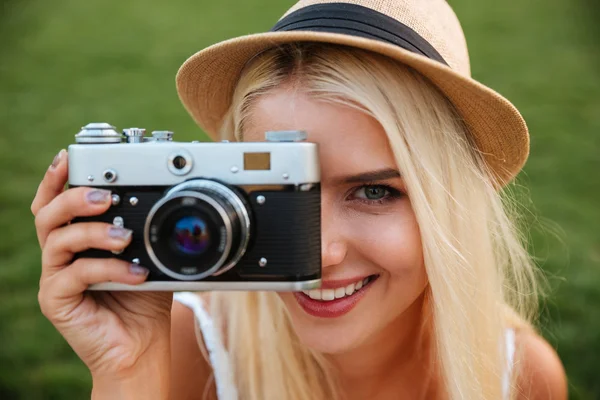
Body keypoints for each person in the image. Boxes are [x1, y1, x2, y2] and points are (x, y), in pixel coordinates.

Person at [31, 0, 568, 399]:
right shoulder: (190, 349)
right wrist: (130, 372)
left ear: (448, 200)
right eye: (277, 194)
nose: (322, 253)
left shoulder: (519, 377)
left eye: (375, 191)